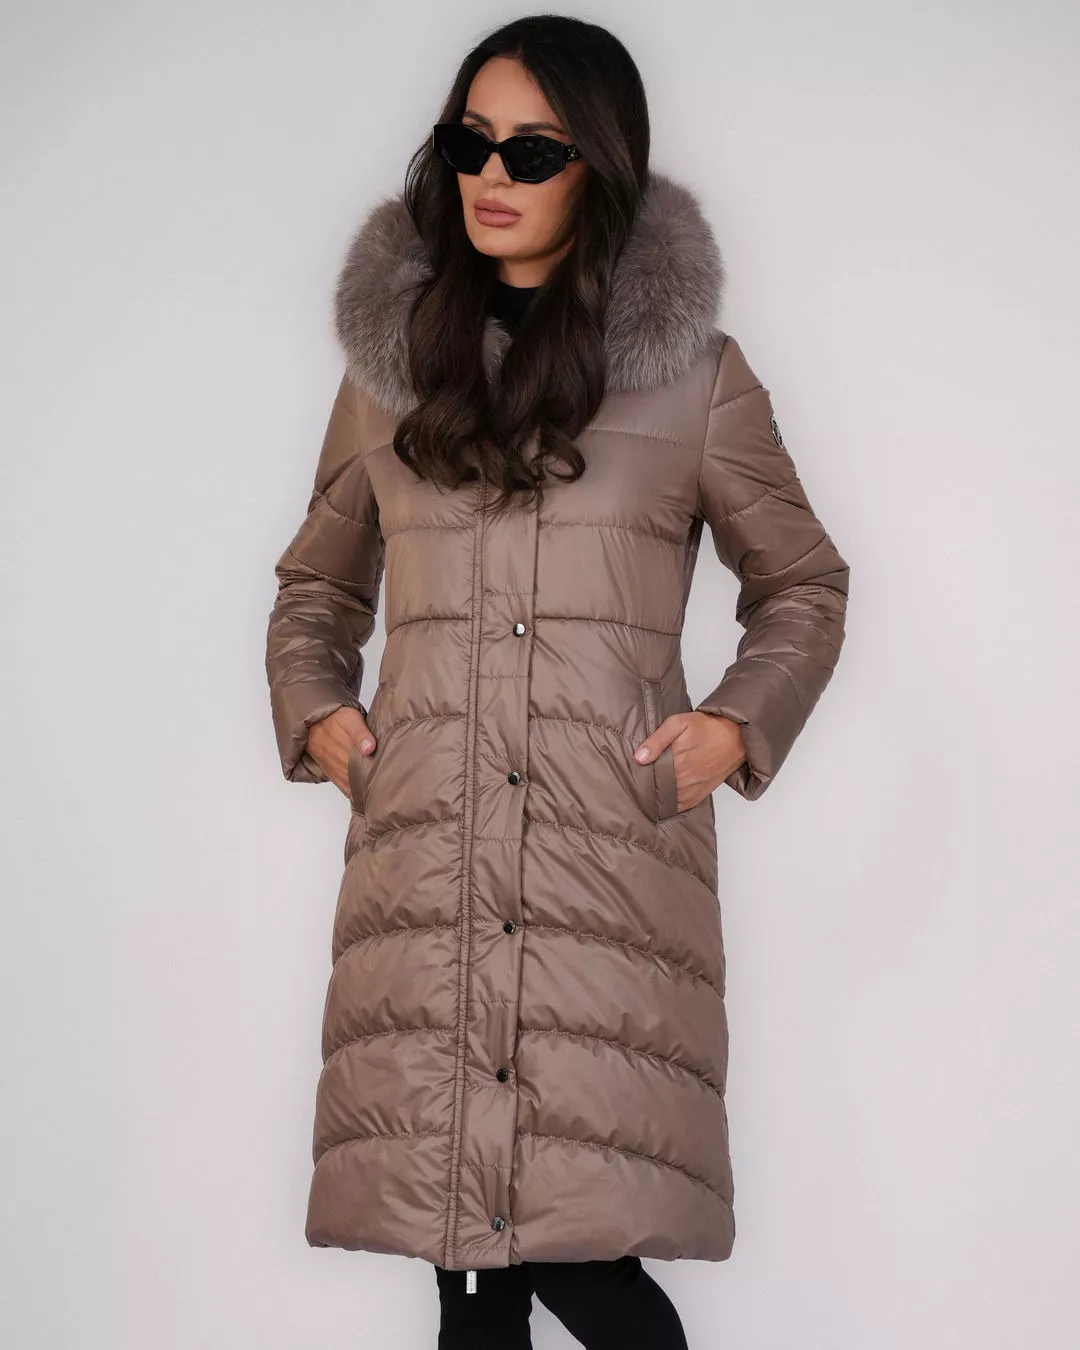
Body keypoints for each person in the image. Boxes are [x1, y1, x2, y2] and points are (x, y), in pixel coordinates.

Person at [264, 14, 850, 1348]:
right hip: (432, 874)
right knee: (467, 1280)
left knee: (591, 1268)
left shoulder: (694, 381)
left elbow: (805, 585)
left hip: (604, 882)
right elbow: (314, 591)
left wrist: (734, 726)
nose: (493, 174)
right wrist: (322, 715)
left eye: (533, 149)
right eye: (470, 143)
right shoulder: (390, 380)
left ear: (602, 167)